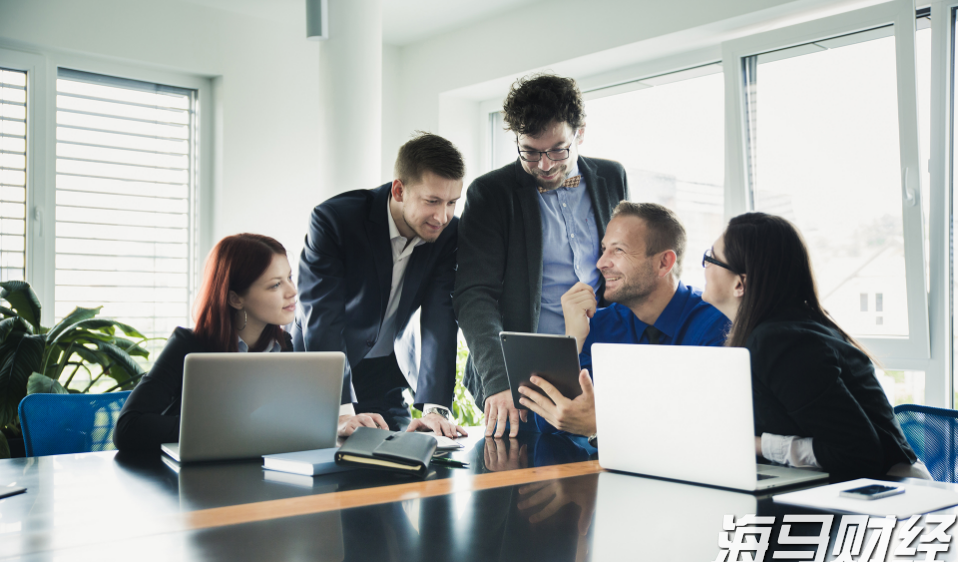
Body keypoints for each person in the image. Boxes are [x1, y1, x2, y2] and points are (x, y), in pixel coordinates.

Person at [455, 73, 629, 439]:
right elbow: (474, 294)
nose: (545, 165)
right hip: (522, 374)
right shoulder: (490, 194)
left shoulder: (612, 176)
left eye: (557, 150)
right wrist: (498, 381)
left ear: (580, 132)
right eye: (530, 152)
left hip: (606, 363)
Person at [700, 212, 929, 479]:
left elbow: (859, 454)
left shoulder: (782, 342)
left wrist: (756, 444)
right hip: (845, 488)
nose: (704, 265)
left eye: (711, 257)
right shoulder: (782, 329)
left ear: (740, 283)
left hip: (892, 492)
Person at [114, 234, 390, 453]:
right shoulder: (188, 344)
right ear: (235, 298)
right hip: (188, 480)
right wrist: (235, 427)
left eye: (290, 278)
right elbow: (128, 429)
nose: (293, 291)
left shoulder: (283, 345)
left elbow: (287, 422)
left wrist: (334, 425)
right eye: (275, 285)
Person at [292, 133, 467, 437]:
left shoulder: (448, 233)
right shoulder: (334, 220)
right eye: (432, 201)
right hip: (320, 371)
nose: (443, 216)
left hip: (384, 374)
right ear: (399, 190)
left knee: (403, 465)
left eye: (452, 202)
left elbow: (440, 314)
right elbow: (322, 318)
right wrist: (340, 410)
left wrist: (436, 409)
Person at [516, 202, 729, 438]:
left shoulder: (717, 325)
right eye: (604, 249)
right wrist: (572, 339)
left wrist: (602, 427)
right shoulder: (598, 325)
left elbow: (706, 428)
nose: (601, 263)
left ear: (663, 263)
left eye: (618, 250)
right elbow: (550, 422)